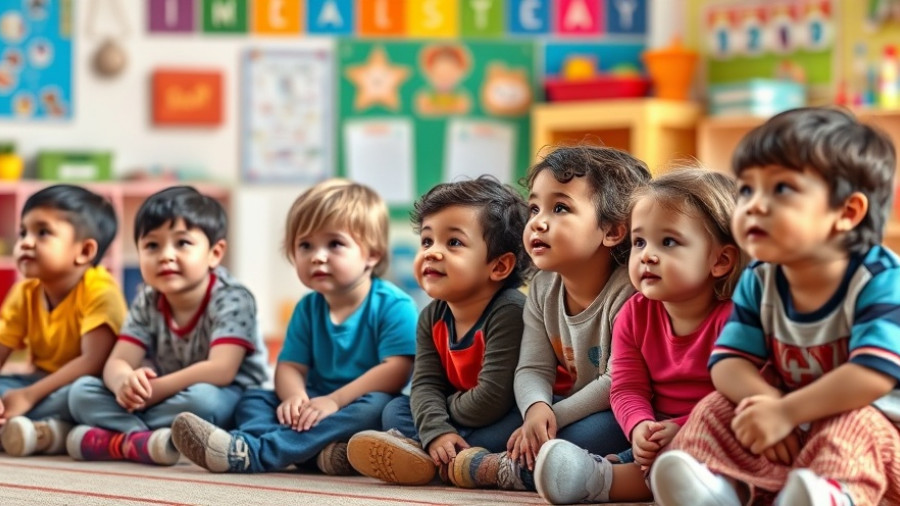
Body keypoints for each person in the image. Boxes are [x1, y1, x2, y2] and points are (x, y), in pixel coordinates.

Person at [649, 107, 900, 506]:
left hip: (883, 439)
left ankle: (836, 495)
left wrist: (785, 413)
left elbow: (872, 375)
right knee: (718, 406)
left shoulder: (880, 278)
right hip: (792, 424)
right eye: (747, 189)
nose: (754, 205)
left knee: (855, 422)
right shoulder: (761, 277)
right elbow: (729, 361)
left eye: (781, 189)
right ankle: (716, 488)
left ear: (846, 213)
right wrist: (764, 403)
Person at [170, 179, 418, 474]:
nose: (317, 256)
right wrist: (294, 397)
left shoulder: (393, 304)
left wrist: (334, 401)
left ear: (372, 255)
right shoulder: (308, 307)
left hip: (354, 403)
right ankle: (316, 455)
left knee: (377, 408)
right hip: (314, 400)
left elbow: (397, 369)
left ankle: (256, 451)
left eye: (335, 244)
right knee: (254, 398)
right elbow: (289, 366)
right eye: (305, 245)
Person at [533, 168, 746, 504]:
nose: (646, 254)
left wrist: (686, 429)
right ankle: (596, 478)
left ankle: (702, 489)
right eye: (639, 241)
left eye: (669, 242)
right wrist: (639, 426)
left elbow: (739, 397)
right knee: (644, 458)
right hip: (657, 432)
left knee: (724, 452)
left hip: (720, 432)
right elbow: (627, 387)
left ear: (720, 260)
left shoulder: (735, 319)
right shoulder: (634, 313)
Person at [450, 145, 652, 491]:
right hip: (564, 406)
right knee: (504, 426)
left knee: (598, 433)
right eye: (534, 207)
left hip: (620, 410)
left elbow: (614, 383)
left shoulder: (630, 291)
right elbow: (532, 368)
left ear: (613, 230)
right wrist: (536, 409)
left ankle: (504, 468)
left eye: (559, 208)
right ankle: (469, 457)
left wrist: (551, 417)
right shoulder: (543, 287)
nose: (537, 222)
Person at [346, 176, 533, 485]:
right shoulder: (432, 315)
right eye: (427, 241)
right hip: (463, 416)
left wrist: (436, 418)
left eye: (454, 243)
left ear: (498, 266)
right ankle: (455, 460)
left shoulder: (510, 310)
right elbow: (425, 384)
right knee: (395, 409)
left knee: (513, 425)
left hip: (502, 414)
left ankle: (441, 457)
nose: (432, 252)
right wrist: (437, 429)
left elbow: (491, 399)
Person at [65, 186, 268, 466]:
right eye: (152, 245)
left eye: (182, 243)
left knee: (204, 401)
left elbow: (221, 370)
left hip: (228, 394)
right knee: (81, 392)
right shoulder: (147, 299)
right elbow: (118, 360)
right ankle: (142, 440)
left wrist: (155, 390)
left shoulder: (232, 297)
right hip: (159, 398)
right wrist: (124, 382)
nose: (165, 255)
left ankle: (116, 436)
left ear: (215, 253)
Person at [0, 184, 126, 457]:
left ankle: (53, 431)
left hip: (88, 384)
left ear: (84, 251)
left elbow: (93, 363)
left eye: (42, 232)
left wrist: (29, 396)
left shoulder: (101, 291)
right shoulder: (25, 291)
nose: (26, 242)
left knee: (82, 395)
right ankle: (45, 431)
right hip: (40, 381)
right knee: (4, 388)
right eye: (24, 232)